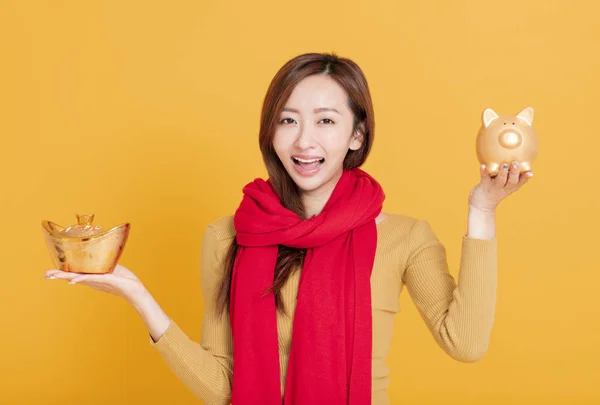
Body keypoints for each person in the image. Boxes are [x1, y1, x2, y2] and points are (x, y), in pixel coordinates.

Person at [45, 52, 534, 405]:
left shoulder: (404, 238)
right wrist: (140, 298)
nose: (304, 140)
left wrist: (482, 212)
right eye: (288, 120)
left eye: (325, 121)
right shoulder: (228, 236)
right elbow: (222, 388)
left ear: (356, 135)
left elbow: (466, 344)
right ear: (270, 131)